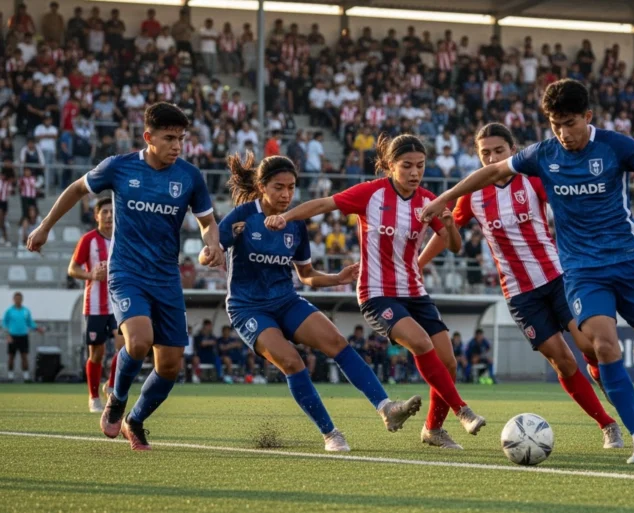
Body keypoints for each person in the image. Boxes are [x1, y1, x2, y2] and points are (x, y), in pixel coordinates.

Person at [419, 79, 634, 464]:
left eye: (569, 123)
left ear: (587, 117)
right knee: (601, 346)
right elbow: (487, 175)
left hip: (629, 263)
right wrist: (444, 198)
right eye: (555, 125)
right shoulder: (543, 154)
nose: (563, 133)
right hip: (580, 271)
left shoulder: (615, 146)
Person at [264, 134, 487, 450]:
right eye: (406, 166)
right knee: (422, 343)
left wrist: (449, 225)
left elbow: (454, 245)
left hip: (414, 290)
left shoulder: (428, 200)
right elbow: (324, 204)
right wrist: (285, 216)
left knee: (448, 362)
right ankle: (462, 410)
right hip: (376, 292)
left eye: (420, 166)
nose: (414, 172)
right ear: (390, 166)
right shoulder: (371, 193)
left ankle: (433, 430)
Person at [27, 102, 224, 451]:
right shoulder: (119, 167)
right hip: (126, 272)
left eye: (181, 138)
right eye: (169, 138)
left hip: (166, 277)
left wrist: (213, 245)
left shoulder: (189, 176)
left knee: (171, 365)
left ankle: (135, 419)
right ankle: (116, 398)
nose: (177, 146)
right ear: (148, 137)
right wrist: (44, 227)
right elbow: (75, 189)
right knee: (138, 341)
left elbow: (207, 220)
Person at [419, 123, 622, 449]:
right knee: (563, 360)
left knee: (588, 345)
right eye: (485, 152)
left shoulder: (532, 179)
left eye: (499, 150)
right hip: (519, 293)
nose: (492, 157)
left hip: (558, 279)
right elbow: (448, 236)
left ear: (512, 150)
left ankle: (602, 376)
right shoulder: (472, 194)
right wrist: (418, 264)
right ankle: (608, 425)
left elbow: (569, 205)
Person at [213, 152, 422, 451]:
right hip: (248, 308)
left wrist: (337, 278)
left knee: (337, 342)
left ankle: (386, 408)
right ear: (262, 186)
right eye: (278, 187)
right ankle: (331, 433)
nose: (286, 194)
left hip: (286, 301)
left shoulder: (296, 223)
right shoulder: (242, 217)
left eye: (291, 187)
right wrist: (209, 254)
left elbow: (306, 274)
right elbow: (212, 247)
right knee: (291, 361)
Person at [68, 197, 125, 412]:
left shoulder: (123, 239)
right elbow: (72, 269)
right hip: (94, 306)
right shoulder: (88, 240)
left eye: (112, 211)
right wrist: (90, 274)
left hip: (120, 303)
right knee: (97, 353)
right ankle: (93, 397)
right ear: (97, 215)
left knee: (124, 347)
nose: (109, 215)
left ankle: (111, 385)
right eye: (105, 212)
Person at [2, 292, 44, 382]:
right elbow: (4, 323)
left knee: (24, 356)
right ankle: (10, 377)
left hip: (23, 336)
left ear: (22, 299)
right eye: (16, 298)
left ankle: (26, 377)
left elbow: (30, 323)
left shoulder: (26, 311)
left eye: (19, 298)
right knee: (11, 357)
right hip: (12, 336)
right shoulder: (9, 311)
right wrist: (8, 335)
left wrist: (37, 328)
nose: (18, 300)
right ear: (14, 300)